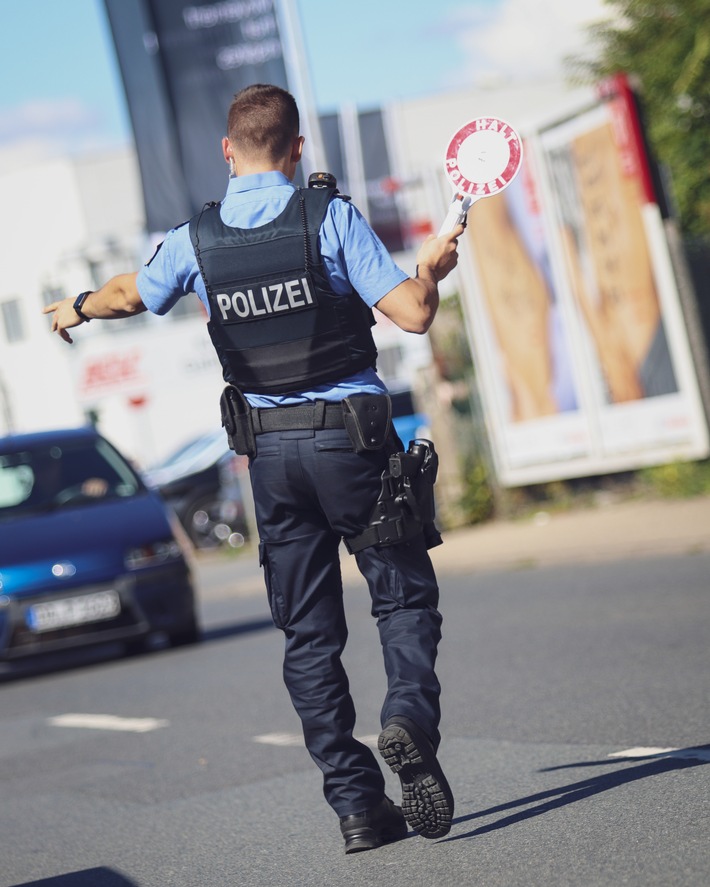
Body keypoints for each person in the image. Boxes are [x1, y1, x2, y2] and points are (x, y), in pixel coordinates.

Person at [45, 83, 462, 854]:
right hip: (354, 447)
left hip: (269, 458)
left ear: (228, 152)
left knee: (308, 636)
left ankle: (358, 807)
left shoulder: (194, 240)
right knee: (402, 599)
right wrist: (431, 266)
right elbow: (412, 313)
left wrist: (74, 305)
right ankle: (406, 716)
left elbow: (128, 293)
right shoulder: (329, 217)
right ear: (298, 148)